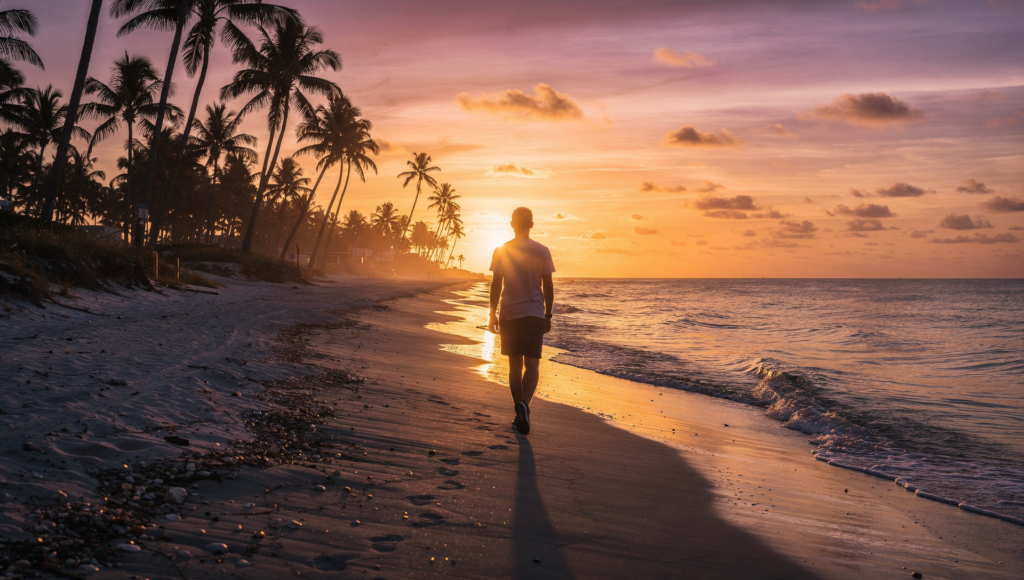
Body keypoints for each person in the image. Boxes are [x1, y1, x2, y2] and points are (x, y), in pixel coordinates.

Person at [487, 207, 555, 435]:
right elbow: (548, 286)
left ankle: (519, 412)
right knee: (532, 366)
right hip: (534, 313)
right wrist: (548, 315)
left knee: (514, 366)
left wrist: (491, 314)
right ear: (532, 225)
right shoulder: (542, 251)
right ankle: (524, 405)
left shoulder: (501, 250)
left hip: (509, 313)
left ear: (512, 224)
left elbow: (496, 284)